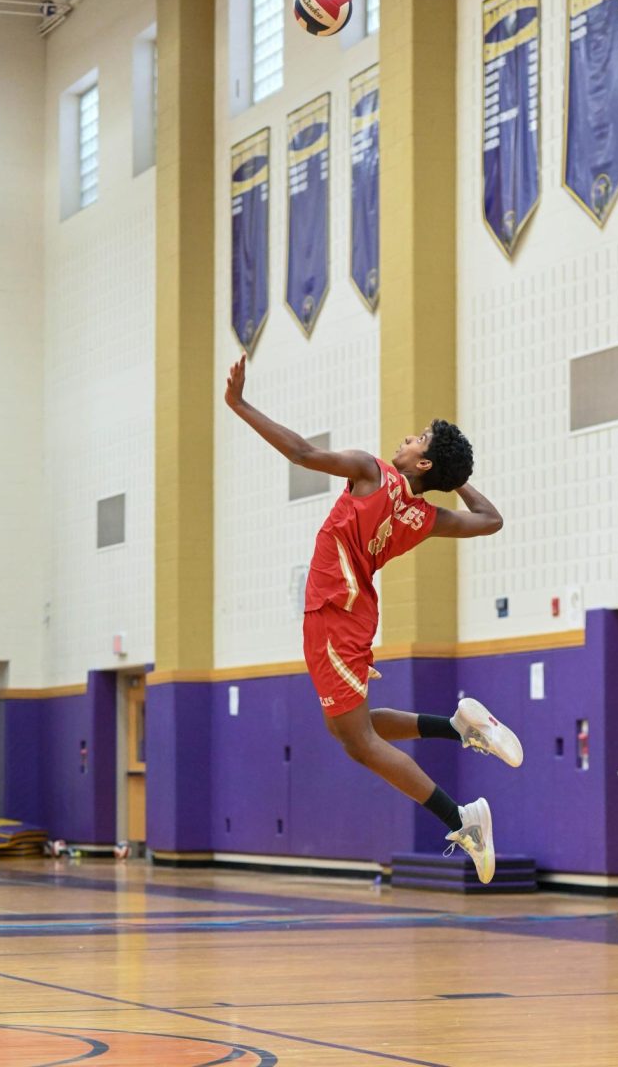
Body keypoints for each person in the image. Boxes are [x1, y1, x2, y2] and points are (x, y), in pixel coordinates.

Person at [224, 353, 523, 885]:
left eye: (418, 439)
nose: (407, 439)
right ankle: (457, 728)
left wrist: (240, 404)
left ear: (422, 463)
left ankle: (463, 818)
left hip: (334, 611)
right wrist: (458, 478)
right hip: (350, 610)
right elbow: (491, 520)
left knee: (358, 741)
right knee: (351, 731)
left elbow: (300, 451)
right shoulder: (425, 517)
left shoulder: (370, 472)